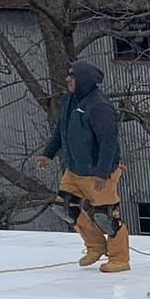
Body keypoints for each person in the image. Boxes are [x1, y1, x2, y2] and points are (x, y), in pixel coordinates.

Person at [37, 60, 128, 273]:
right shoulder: (70, 101)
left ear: (84, 80)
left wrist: (102, 172)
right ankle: (95, 246)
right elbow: (61, 131)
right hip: (74, 170)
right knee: (64, 206)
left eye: (73, 76)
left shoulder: (99, 107)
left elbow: (108, 141)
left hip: (98, 173)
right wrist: (47, 154)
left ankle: (120, 258)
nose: (68, 79)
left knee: (106, 216)